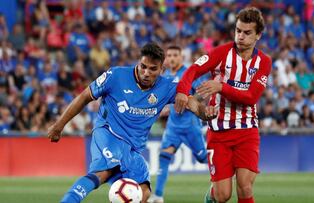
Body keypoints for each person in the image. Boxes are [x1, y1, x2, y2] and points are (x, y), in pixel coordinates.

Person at [47, 42, 216, 203]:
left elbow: (191, 101)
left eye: (152, 69)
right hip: (108, 133)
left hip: (133, 147)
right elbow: (84, 96)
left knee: (143, 193)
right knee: (103, 172)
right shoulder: (115, 76)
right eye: (143, 66)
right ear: (138, 63)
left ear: (161, 70)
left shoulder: (168, 86)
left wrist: (204, 113)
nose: (146, 73)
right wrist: (59, 125)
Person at [175, 7, 272, 203]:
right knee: (222, 195)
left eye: (247, 33)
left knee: (245, 187)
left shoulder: (264, 62)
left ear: (258, 35)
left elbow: (251, 97)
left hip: (247, 131)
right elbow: (193, 70)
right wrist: (182, 92)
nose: (241, 36)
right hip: (219, 133)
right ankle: (211, 197)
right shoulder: (221, 53)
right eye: (238, 31)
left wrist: (221, 87)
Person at [148, 46, 209, 203]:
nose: (172, 58)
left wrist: (190, 101)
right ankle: (158, 196)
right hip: (173, 127)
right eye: (169, 55)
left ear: (181, 57)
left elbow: (203, 92)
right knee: (164, 156)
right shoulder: (166, 75)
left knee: (204, 158)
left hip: (190, 126)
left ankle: (225, 173)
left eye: (175, 55)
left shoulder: (189, 73)